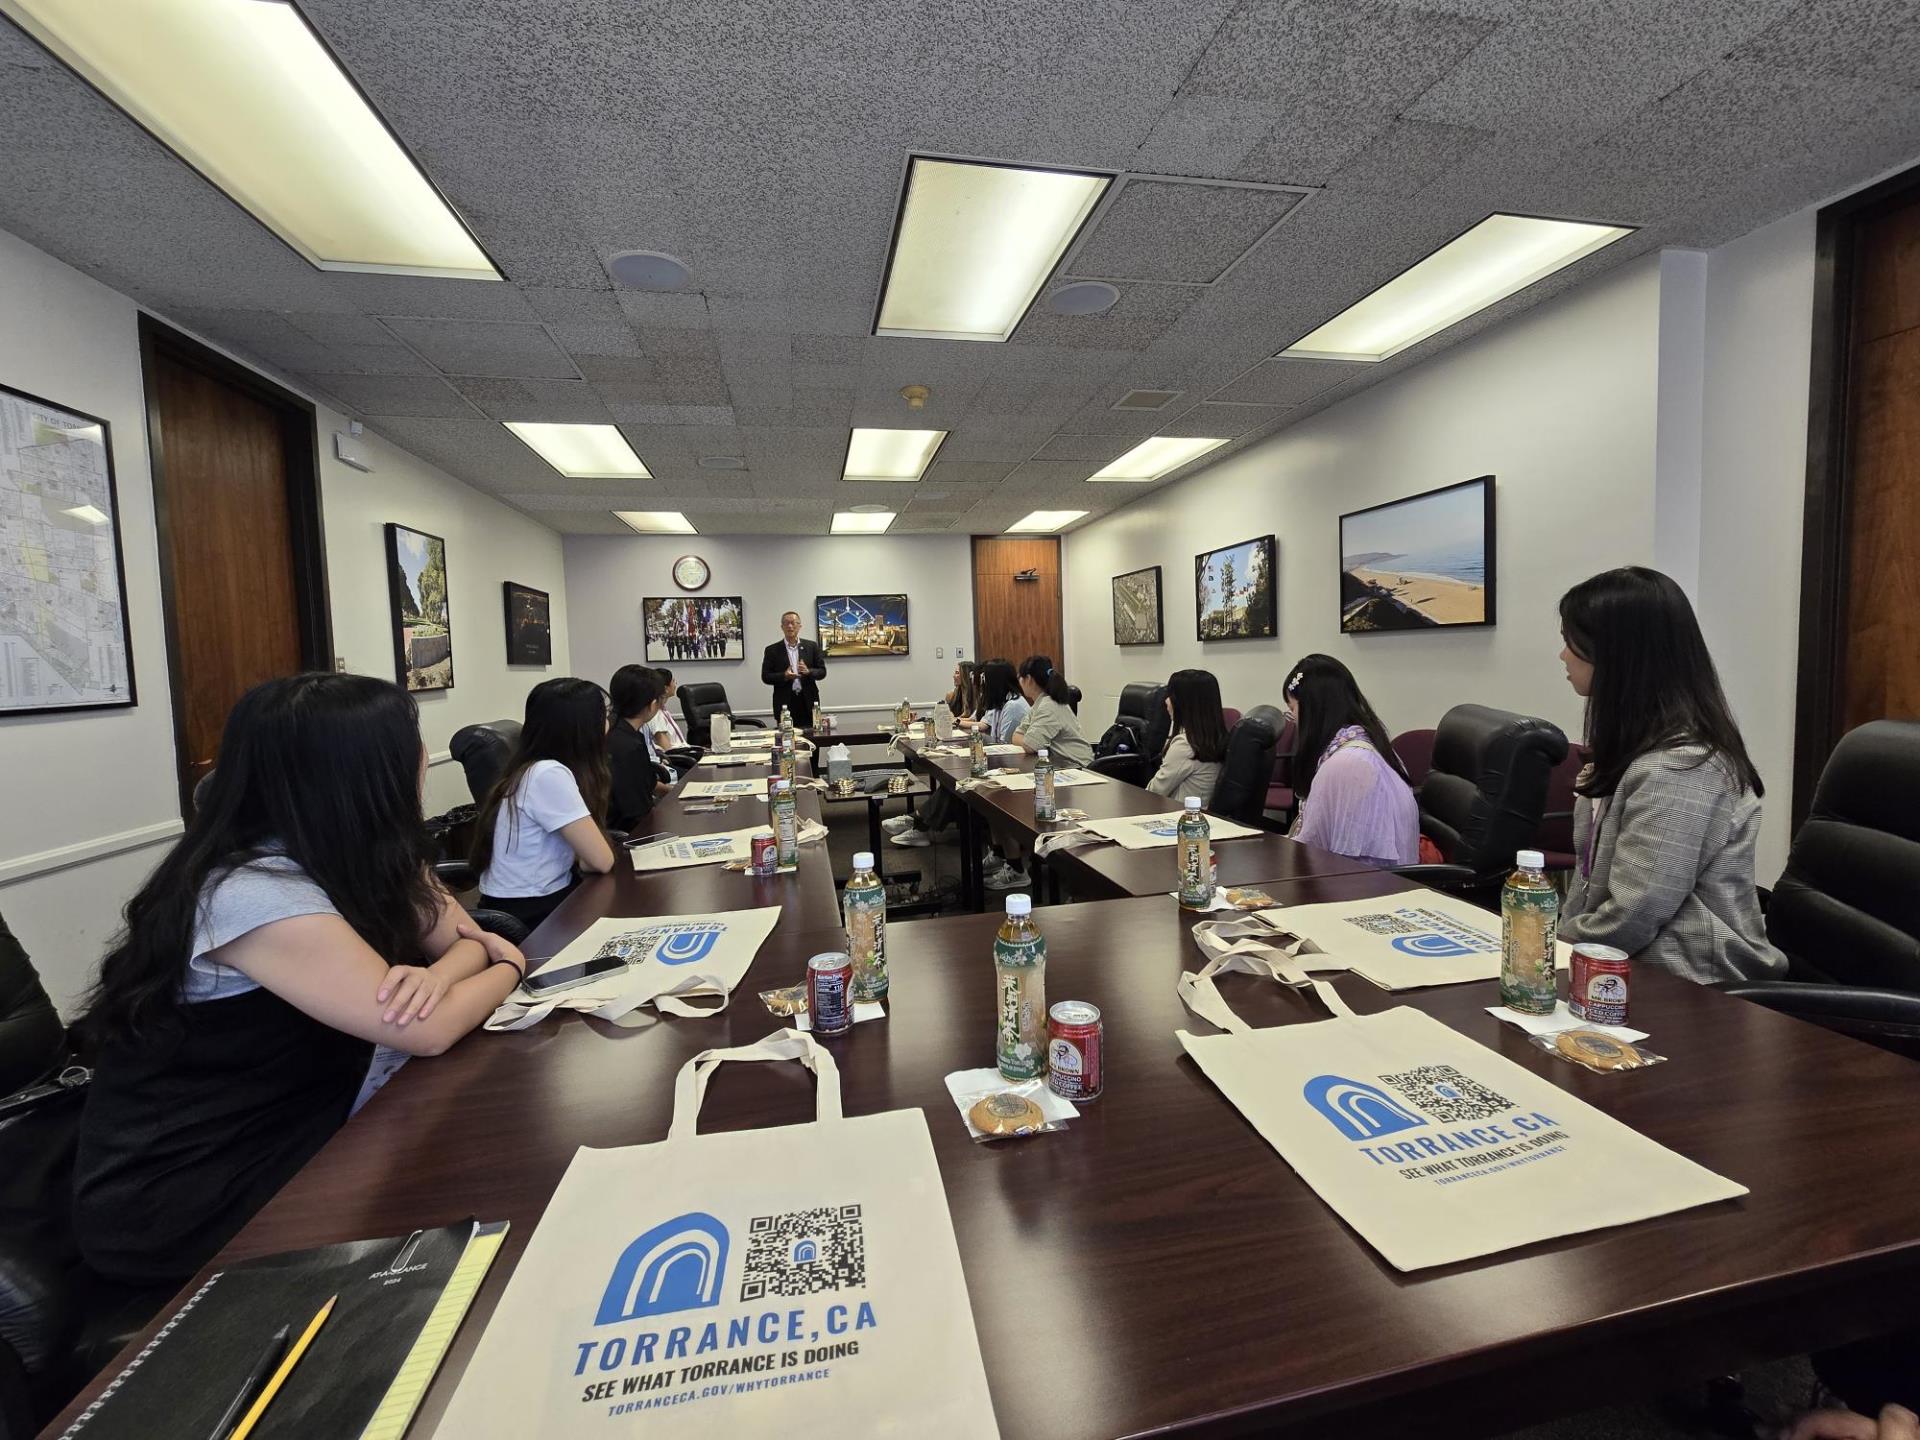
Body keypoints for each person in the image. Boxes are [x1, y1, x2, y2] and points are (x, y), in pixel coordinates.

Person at [71, 673, 529, 1284]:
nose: (423, 759)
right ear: (363, 772)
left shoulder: (366, 852)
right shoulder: (249, 893)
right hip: (200, 1184)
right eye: (410, 743)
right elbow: (428, 1027)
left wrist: (455, 965)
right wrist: (508, 964)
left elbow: (462, 938)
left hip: (314, 1115)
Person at [1556, 566, 1785, 983]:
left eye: (1570, 642)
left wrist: (1548, 955)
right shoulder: (1637, 752)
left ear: (1615, 652)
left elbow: (1633, 913)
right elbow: (1595, 891)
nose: (1563, 656)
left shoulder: (1681, 768)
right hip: (1624, 969)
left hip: (1692, 987)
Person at [474, 677, 618, 930]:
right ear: (583, 726)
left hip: (540, 899)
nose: (607, 723)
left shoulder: (534, 768)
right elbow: (600, 861)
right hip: (532, 913)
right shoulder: (548, 775)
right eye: (602, 715)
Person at [1283, 654, 1419, 868]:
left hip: (1367, 889)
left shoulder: (1348, 764)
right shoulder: (1369, 744)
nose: (1294, 721)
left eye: (1292, 709)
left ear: (1313, 710)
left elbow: (1319, 855)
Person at [1147, 669, 1231, 804]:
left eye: (1171, 695)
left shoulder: (1186, 745)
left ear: (1184, 702)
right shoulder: (1212, 738)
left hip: (1178, 817)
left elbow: (1154, 792)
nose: (1166, 701)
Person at [608, 665, 672, 831]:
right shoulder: (629, 745)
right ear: (652, 705)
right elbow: (639, 811)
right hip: (631, 832)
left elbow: (647, 782)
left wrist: (674, 793)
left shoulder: (615, 728)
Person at [1012, 655, 1093, 765]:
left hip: (1077, 767)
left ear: (1029, 679)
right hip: (1060, 764)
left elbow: (1030, 746)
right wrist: (1024, 740)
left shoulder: (1049, 705)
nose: (1019, 681)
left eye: (1020, 677)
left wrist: (1025, 740)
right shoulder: (1040, 703)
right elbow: (1017, 735)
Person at [761, 609, 827, 727]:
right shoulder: (772, 650)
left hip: (808, 702)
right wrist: (784, 676)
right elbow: (765, 676)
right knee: (787, 742)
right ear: (782, 627)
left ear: (799, 626)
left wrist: (809, 671)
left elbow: (822, 672)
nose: (790, 626)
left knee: (812, 741)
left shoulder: (811, 647)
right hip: (785, 703)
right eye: (787, 623)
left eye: (794, 623)